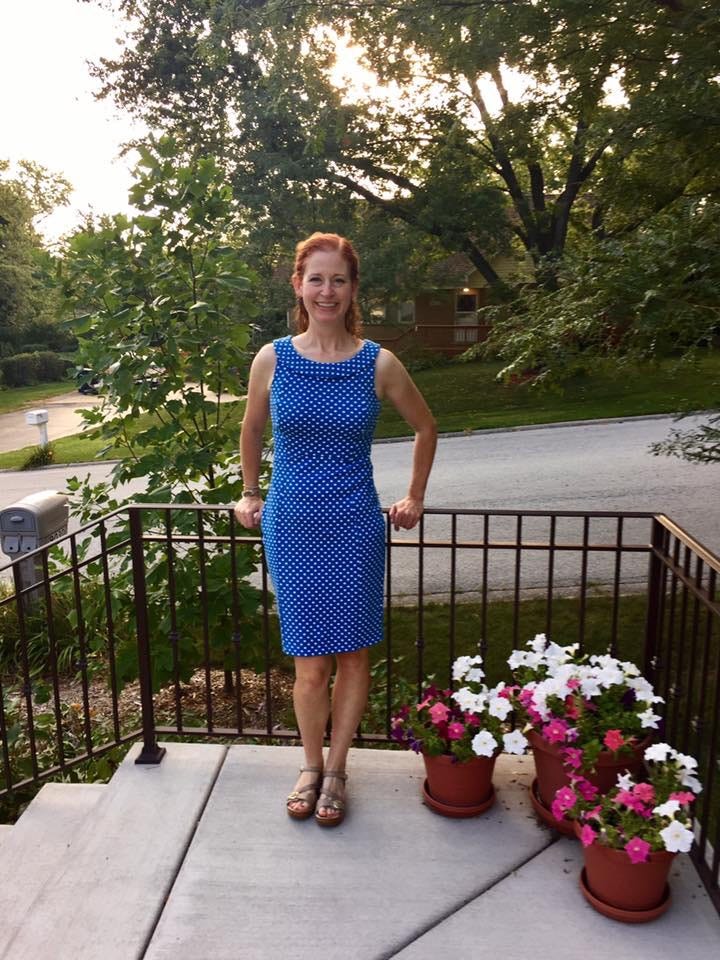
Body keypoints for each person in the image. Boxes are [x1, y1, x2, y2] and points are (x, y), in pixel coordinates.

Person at [234, 232, 436, 827]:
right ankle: (309, 765)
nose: (327, 291)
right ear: (299, 286)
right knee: (308, 664)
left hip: (353, 524)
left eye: (338, 280)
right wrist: (250, 492)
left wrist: (415, 497)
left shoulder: (380, 362)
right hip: (292, 522)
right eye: (316, 279)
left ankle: (339, 770)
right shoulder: (272, 357)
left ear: (352, 291)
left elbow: (427, 428)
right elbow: (250, 429)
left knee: (352, 656)